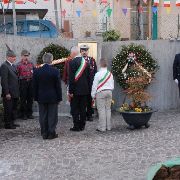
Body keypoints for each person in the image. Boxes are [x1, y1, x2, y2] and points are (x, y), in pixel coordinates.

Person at [33, 53, 62, 140]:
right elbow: (58, 86)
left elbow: (34, 86)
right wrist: (59, 98)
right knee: (52, 115)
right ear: (51, 60)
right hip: (53, 97)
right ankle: (51, 133)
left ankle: (44, 133)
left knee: (43, 115)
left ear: (43, 60)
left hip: (41, 97)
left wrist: (35, 97)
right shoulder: (55, 71)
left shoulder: (37, 71)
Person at [69, 53, 90, 131]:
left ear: (73, 53)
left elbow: (71, 78)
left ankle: (76, 126)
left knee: (75, 109)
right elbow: (89, 77)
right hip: (85, 90)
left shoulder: (72, 62)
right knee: (83, 109)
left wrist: (70, 91)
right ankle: (82, 125)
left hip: (75, 91)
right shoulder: (86, 62)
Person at [91, 59, 114, 132]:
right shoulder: (110, 74)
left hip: (101, 92)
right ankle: (108, 127)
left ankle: (102, 127)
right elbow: (112, 85)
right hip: (109, 92)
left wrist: (93, 95)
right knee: (108, 109)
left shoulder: (98, 74)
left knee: (101, 110)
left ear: (100, 65)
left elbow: (94, 85)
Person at [1, 46, 20, 129]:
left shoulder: (14, 65)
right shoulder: (4, 66)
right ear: (8, 57)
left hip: (15, 92)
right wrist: (7, 93)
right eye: (13, 57)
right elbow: (4, 81)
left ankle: (12, 122)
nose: (14, 58)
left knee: (13, 109)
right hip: (9, 92)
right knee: (8, 109)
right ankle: (8, 124)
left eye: (15, 57)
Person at [80, 44, 97, 121]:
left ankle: (89, 115)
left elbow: (95, 71)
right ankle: (82, 115)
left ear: (88, 51)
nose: (84, 52)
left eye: (86, 50)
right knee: (82, 101)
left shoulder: (92, 60)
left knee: (90, 100)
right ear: (80, 51)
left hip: (90, 84)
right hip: (82, 84)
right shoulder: (79, 60)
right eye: (83, 51)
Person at [17, 50, 34, 120]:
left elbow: (34, 72)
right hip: (23, 82)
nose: (26, 57)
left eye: (27, 56)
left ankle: (29, 113)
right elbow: (17, 75)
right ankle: (23, 114)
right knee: (23, 99)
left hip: (30, 82)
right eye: (25, 56)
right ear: (21, 56)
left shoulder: (31, 64)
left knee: (30, 98)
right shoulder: (18, 65)